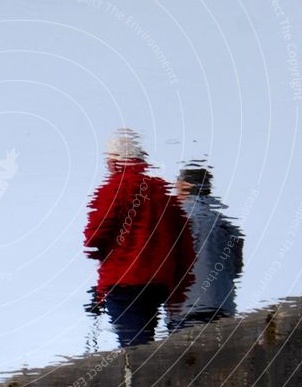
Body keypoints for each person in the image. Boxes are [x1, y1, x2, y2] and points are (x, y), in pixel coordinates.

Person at [83, 129, 195, 346]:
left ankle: (140, 378)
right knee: (146, 341)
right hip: (159, 283)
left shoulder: (111, 190)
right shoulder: (162, 191)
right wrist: (179, 290)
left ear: (115, 161)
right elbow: (185, 244)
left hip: (124, 282)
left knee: (134, 349)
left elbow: (94, 238)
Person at [166, 163, 244, 331]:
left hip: (186, 310)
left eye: (177, 182)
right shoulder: (227, 227)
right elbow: (236, 270)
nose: (174, 187)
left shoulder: (173, 221)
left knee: (187, 356)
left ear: (186, 185)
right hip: (223, 308)